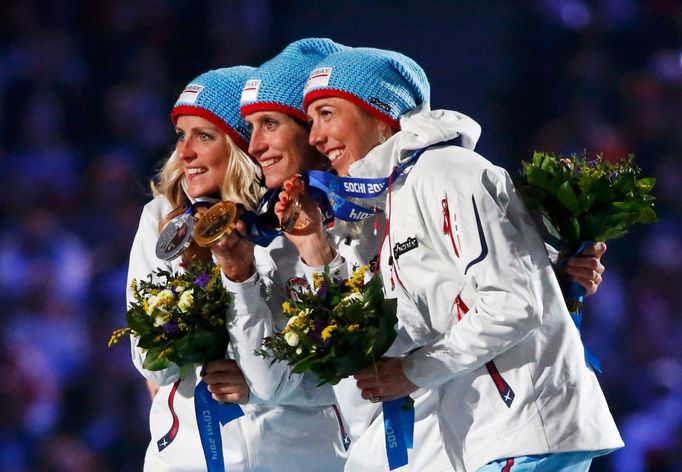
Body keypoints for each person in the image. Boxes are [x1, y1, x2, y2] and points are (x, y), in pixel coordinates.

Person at [274, 45, 625, 471]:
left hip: (524, 429)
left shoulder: (448, 172)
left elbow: (514, 302)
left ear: (380, 111)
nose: (315, 137)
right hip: (488, 438)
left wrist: (412, 371)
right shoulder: (395, 199)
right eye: (312, 121)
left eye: (328, 114)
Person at [127, 66, 347, 471]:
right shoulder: (162, 218)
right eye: (181, 135)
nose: (184, 152)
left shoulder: (301, 219)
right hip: (188, 457)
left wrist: (261, 387)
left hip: (300, 456)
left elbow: (341, 372)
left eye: (204, 136)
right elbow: (148, 358)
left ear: (243, 146)